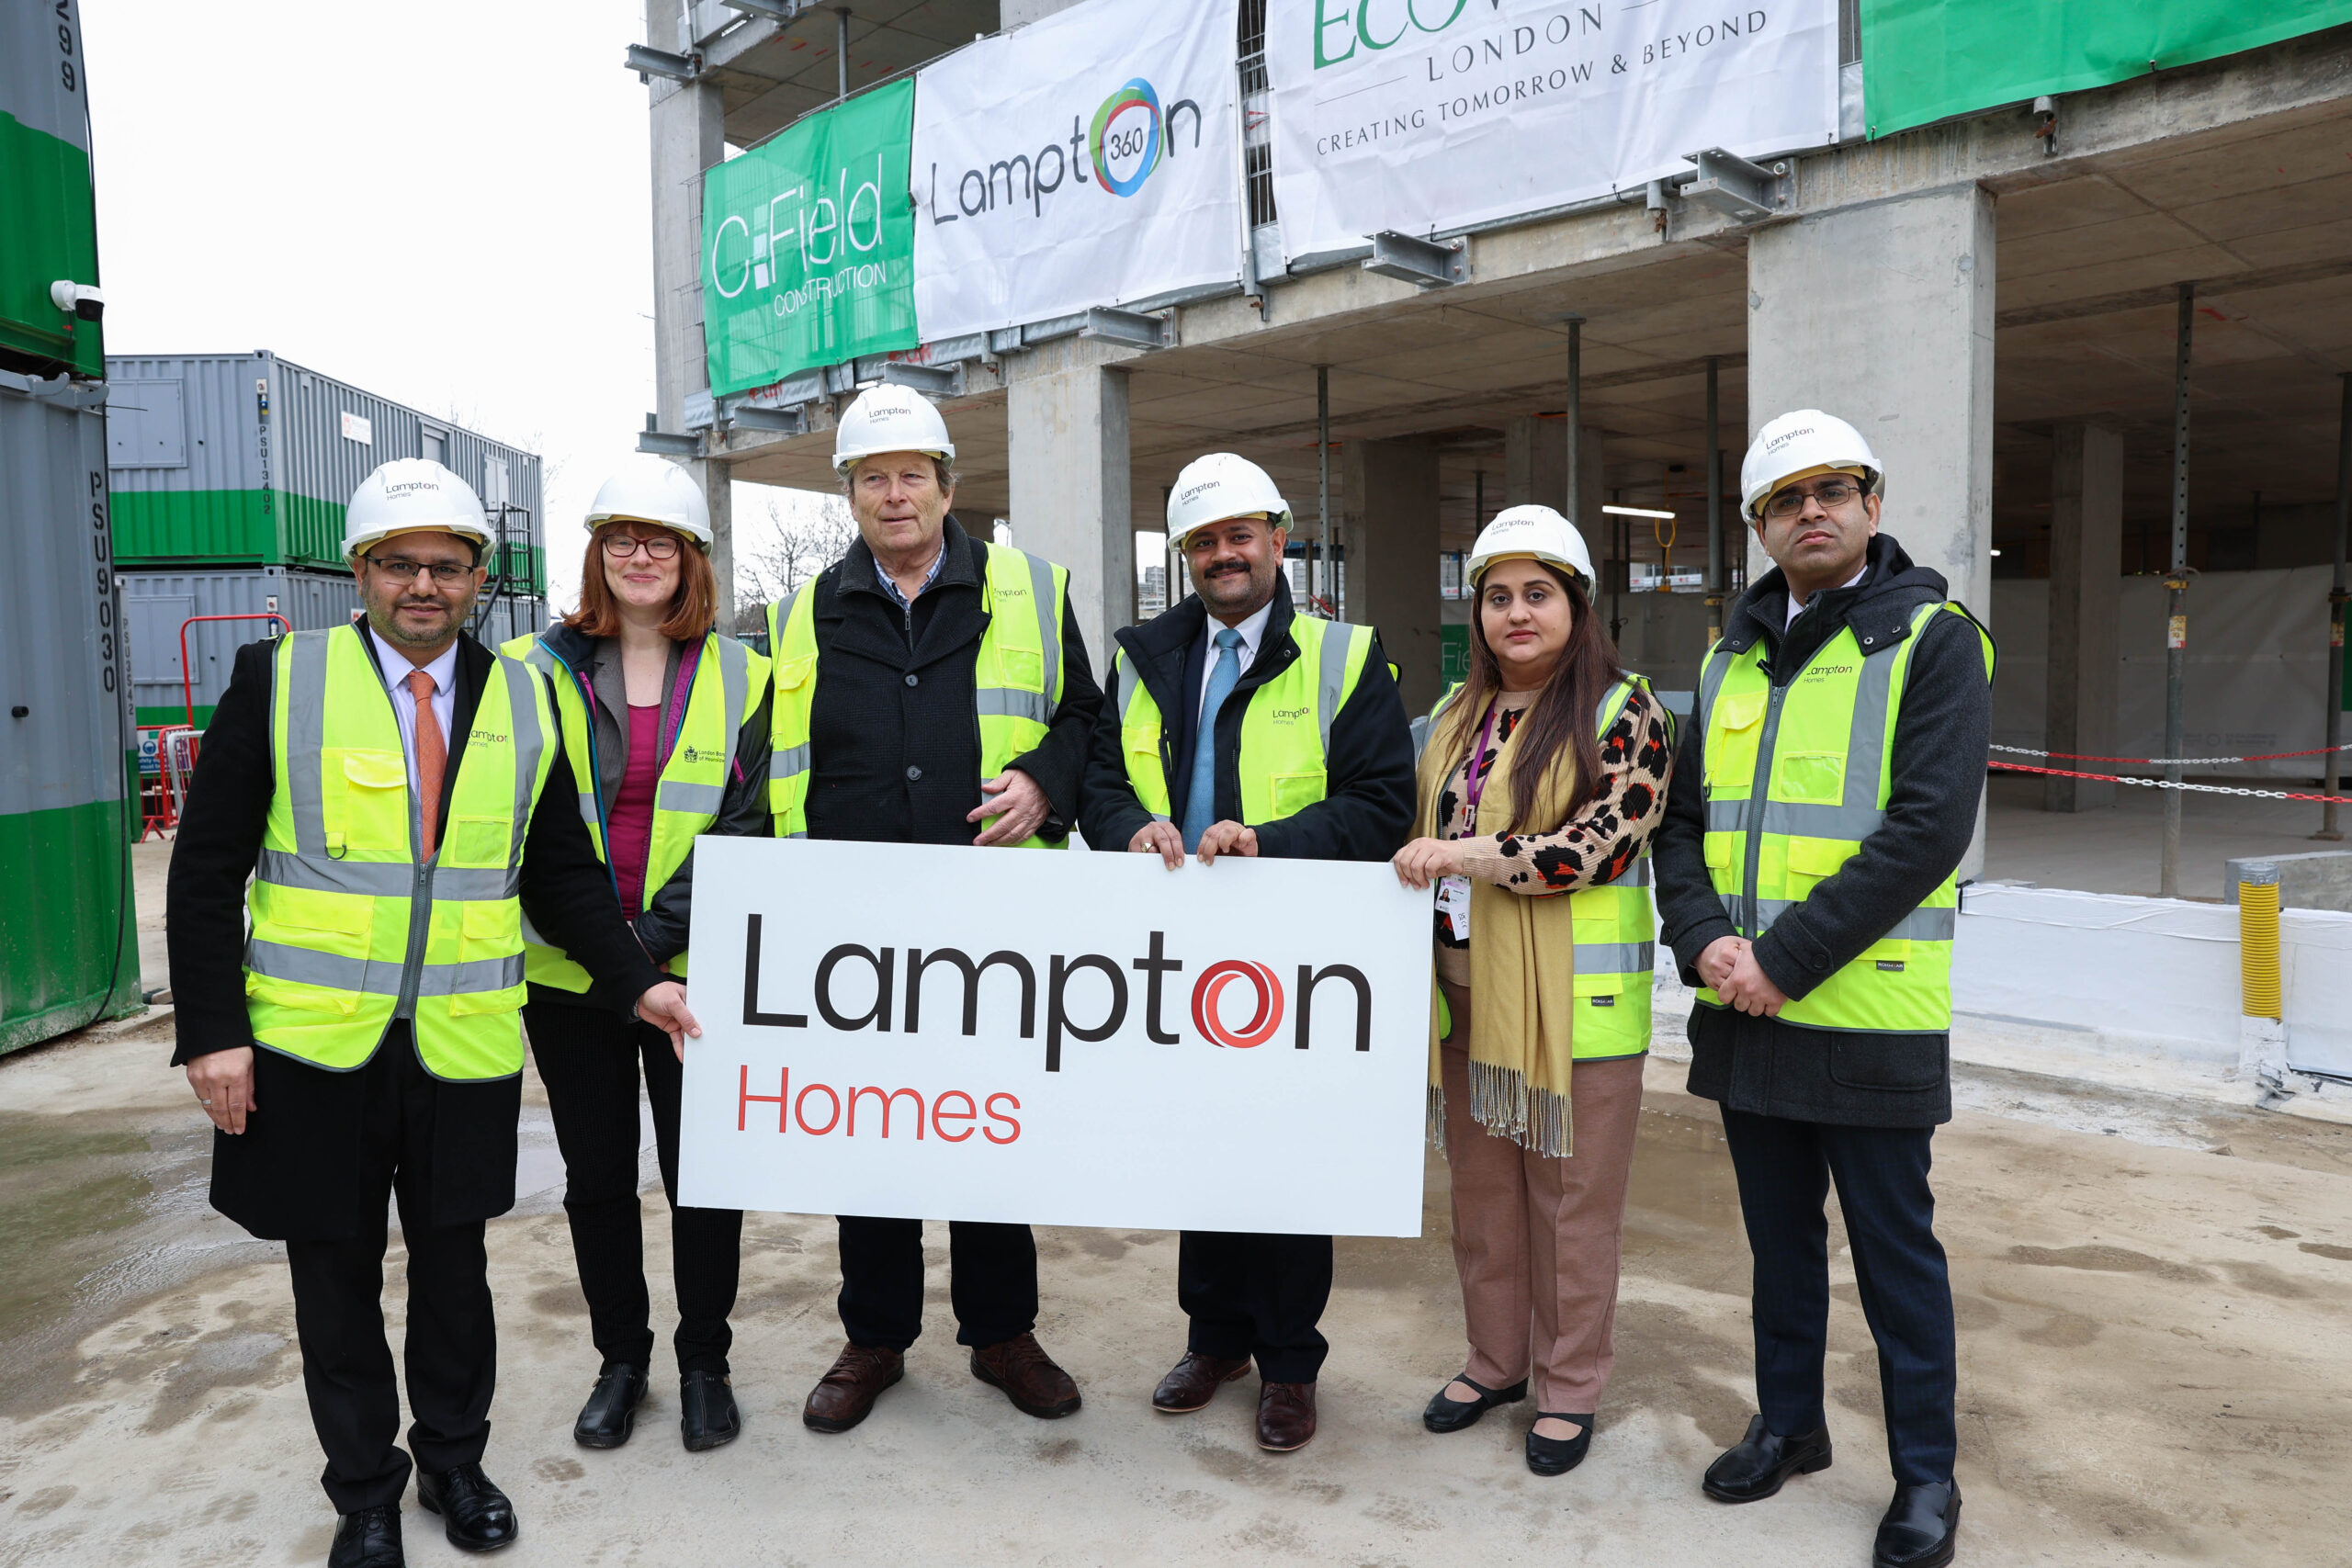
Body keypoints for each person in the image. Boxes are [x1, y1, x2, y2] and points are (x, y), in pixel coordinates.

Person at [168, 459, 701, 1568]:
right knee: (335, 1276)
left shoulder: (525, 696)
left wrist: (635, 982)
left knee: (456, 1276)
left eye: (446, 567)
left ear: (478, 578)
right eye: (399, 564)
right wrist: (213, 1033)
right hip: (312, 1047)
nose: (423, 585)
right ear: (360, 572)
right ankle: (365, 1490)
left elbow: (560, 875)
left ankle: (455, 1463)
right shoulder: (279, 677)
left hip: (461, 1045)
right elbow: (207, 868)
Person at [1651, 411, 1994, 1568]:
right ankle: (1789, 1425)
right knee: (1778, 1247)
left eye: (1832, 488)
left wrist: (1781, 962)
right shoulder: (1728, 655)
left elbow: (1925, 831)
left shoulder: (1934, 639)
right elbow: (1684, 824)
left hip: (1867, 1016)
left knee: (1898, 1260)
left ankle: (1925, 1480)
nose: (1812, 509)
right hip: (1745, 1014)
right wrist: (1700, 939)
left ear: (1872, 505)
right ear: (1758, 527)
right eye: (1785, 497)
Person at [763, 383, 1105, 1434]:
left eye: (912, 474)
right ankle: (875, 1338)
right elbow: (765, 767)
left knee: (985, 1130)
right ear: (851, 496)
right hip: (853, 928)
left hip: (990, 924)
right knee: (872, 1135)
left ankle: (1002, 1332)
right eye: (874, 477)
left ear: (949, 487)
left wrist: (1046, 778)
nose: (894, 494)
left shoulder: (1029, 591)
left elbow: (1087, 719)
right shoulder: (803, 613)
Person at [1080, 452, 1415, 1453]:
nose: (1224, 555)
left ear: (1278, 540)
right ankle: (1214, 1339)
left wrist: (1266, 841)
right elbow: (1101, 781)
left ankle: (1288, 1363)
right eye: (1204, 542)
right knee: (1197, 1154)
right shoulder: (1141, 658)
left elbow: (1377, 806)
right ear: (1186, 556)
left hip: (1292, 951)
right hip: (1173, 944)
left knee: (1285, 1163)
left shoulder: (1346, 658)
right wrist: (1130, 827)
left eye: (1240, 535)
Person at [1389, 505, 1675, 1478]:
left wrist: (1469, 853)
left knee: (1570, 1209)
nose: (1516, 613)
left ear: (1576, 605)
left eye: (1536, 594)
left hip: (1576, 1016)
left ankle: (1567, 1385)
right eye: (1497, 596)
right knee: (1483, 1204)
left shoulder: (1622, 711)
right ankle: (1494, 1361)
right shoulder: (1453, 716)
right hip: (1463, 1001)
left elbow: (1597, 846)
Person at [502, 457, 772, 1454]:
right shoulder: (532, 668)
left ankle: (706, 1359)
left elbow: (750, 828)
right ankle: (623, 1360)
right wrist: (615, 961)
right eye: (620, 537)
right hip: (569, 979)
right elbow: (520, 824)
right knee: (598, 1179)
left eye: (661, 539)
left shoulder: (747, 672)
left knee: (704, 1175)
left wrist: (649, 950)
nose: (639, 555)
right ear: (595, 552)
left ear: (693, 556)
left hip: (697, 976)